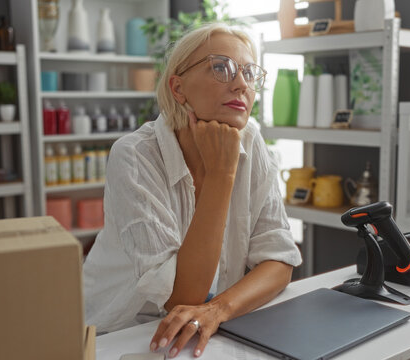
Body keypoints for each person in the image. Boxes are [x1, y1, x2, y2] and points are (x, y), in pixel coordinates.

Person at [82, 22, 302, 358]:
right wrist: (221, 173)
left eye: (248, 73)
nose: (241, 84)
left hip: (203, 325)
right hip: (119, 333)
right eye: (220, 68)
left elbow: (279, 259)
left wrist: (219, 309)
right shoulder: (135, 155)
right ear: (178, 88)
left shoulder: (252, 141)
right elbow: (180, 296)